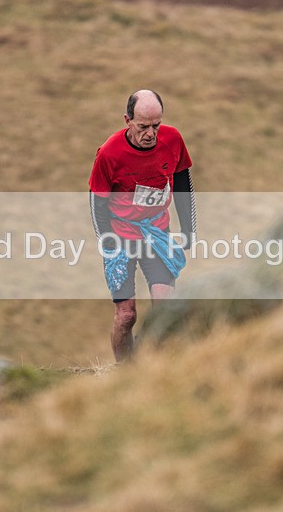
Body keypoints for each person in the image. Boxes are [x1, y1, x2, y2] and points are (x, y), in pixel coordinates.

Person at [89, 89, 197, 361]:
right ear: (127, 120)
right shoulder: (109, 155)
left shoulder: (173, 140)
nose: (150, 133)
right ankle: (125, 372)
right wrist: (108, 243)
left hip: (157, 234)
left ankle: (159, 367)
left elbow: (183, 185)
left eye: (156, 126)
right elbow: (97, 205)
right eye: (143, 127)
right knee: (126, 316)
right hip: (120, 237)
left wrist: (188, 231)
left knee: (165, 308)